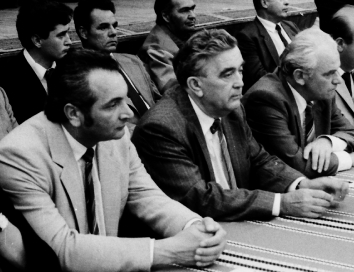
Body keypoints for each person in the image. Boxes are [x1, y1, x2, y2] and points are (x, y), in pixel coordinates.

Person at [0, 50, 226, 271]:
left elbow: (147, 196)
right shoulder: (19, 156)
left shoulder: (115, 136)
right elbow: (61, 248)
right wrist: (167, 251)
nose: (128, 114)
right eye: (112, 105)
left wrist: (197, 228)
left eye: (124, 100)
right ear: (73, 114)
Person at [132, 29, 349, 221]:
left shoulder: (232, 110)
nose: (240, 82)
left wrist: (301, 184)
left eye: (241, 70)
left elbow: (259, 160)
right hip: (196, 234)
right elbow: (200, 198)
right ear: (196, 85)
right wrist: (281, 203)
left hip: (237, 222)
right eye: (228, 74)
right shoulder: (161, 128)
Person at [243, 27, 354, 178]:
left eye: (336, 70)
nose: (338, 80)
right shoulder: (266, 99)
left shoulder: (321, 90)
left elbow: (351, 132)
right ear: (300, 76)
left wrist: (328, 142)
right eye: (329, 74)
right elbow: (297, 165)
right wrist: (348, 159)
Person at [74, 0, 160, 127]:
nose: (114, 32)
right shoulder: (80, 75)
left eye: (114, 26)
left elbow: (158, 100)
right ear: (84, 32)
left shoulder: (133, 60)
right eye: (103, 27)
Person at [0, 0, 73, 124]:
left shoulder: (74, 64)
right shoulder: (7, 79)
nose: (69, 41)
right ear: (37, 41)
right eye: (61, 35)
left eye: (68, 33)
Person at [236, 0, 300, 93]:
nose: (287, 2)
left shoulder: (290, 26)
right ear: (264, 3)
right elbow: (260, 79)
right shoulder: (247, 37)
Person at [138, 0, 197, 93]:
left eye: (193, 9)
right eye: (184, 10)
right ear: (166, 16)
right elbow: (174, 92)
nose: (193, 15)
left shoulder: (180, 34)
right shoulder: (156, 49)